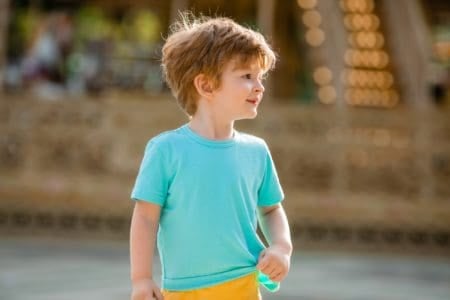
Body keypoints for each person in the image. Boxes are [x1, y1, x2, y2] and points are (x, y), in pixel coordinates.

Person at [130, 12, 292, 300]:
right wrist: (141, 278)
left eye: (260, 77)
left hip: (243, 284)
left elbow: (271, 210)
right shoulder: (165, 150)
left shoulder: (256, 152)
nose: (260, 86)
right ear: (205, 86)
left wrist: (281, 247)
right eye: (246, 76)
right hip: (183, 291)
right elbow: (145, 218)